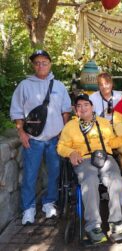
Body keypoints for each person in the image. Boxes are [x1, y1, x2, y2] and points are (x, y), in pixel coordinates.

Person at [57, 94, 122, 244]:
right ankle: (93, 226)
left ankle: (116, 221)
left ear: (92, 106)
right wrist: (71, 152)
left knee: (116, 179)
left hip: (105, 157)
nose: (83, 108)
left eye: (86, 105)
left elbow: (113, 141)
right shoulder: (70, 126)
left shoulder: (103, 123)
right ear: (75, 110)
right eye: (79, 106)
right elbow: (61, 146)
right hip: (84, 159)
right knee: (89, 181)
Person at [10, 50, 72, 225]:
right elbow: (16, 111)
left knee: (54, 173)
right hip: (33, 140)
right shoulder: (24, 85)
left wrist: (63, 133)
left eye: (44, 62)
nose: (41, 65)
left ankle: (49, 203)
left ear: (50, 64)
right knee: (30, 175)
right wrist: (21, 132)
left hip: (54, 139)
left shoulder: (59, 86)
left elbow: (65, 110)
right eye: (37, 62)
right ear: (33, 65)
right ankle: (28, 209)